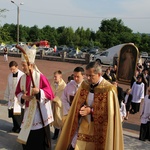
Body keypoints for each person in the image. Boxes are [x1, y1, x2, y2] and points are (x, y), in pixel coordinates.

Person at [55, 61, 124, 150]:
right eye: (87, 75)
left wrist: (91, 111)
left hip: (99, 130)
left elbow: (110, 114)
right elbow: (76, 104)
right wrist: (80, 109)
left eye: (91, 76)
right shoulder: (85, 85)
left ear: (99, 74)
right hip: (82, 126)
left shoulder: (108, 90)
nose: (87, 78)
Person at [15, 45, 54, 150]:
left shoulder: (40, 77)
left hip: (39, 116)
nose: (22, 68)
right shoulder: (22, 78)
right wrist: (23, 97)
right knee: (26, 143)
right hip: (27, 114)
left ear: (31, 65)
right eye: (22, 65)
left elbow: (50, 94)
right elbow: (17, 92)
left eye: (24, 65)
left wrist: (39, 91)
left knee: (39, 143)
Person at [4, 61, 24, 133]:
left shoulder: (22, 75)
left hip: (18, 97)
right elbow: (9, 86)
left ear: (17, 67)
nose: (12, 71)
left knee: (18, 114)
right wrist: (8, 96)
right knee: (12, 113)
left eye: (13, 69)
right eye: (11, 69)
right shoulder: (10, 75)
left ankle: (20, 128)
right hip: (12, 96)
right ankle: (15, 127)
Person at [51, 70, 66, 140]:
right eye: (54, 77)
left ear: (60, 76)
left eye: (55, 77)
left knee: (60, 120)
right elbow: (50, 92)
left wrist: (56, 100)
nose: (54, 78)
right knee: (54, 120)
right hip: (53, 105)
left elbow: (64, 97)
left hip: (60, 106)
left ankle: (62, 136)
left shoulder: (64, 86)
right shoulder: (53, 84)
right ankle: (56, 134)